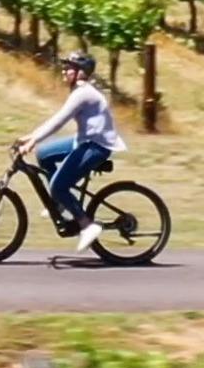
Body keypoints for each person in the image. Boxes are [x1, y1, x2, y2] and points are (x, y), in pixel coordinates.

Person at [13, 51, 125, 257]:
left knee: (57, 185)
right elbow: (56, 118)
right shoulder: (78, 91)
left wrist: (32, 141)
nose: (64, 70)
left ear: (81, 72)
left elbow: (59, 121)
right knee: (45, 154)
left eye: (69, 67)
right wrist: (32, 137)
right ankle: (61, 203)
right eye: (64, 66)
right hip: (84, 140)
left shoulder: (83, 93)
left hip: (96, 146)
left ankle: (87, 224)